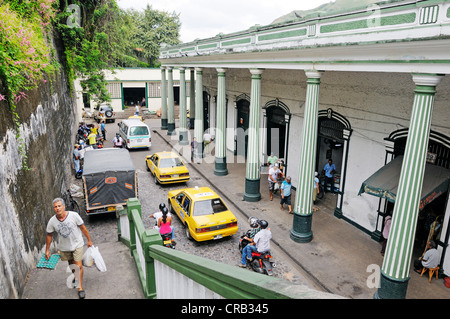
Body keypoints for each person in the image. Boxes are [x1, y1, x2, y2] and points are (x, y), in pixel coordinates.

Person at [45, 198, 93, 299]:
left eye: (59, 206)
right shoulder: (52, 221)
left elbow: (83, 228)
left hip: (77, 244)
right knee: (72, 265)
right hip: (64, 247)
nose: (57, 208)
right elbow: (49, 235)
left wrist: (89, 240)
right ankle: (76, 278)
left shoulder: (74, 215)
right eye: (55, 207)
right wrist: (47, 250)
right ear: (54, 209)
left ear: (63, 206)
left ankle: (80, 287)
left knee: (78, 266)